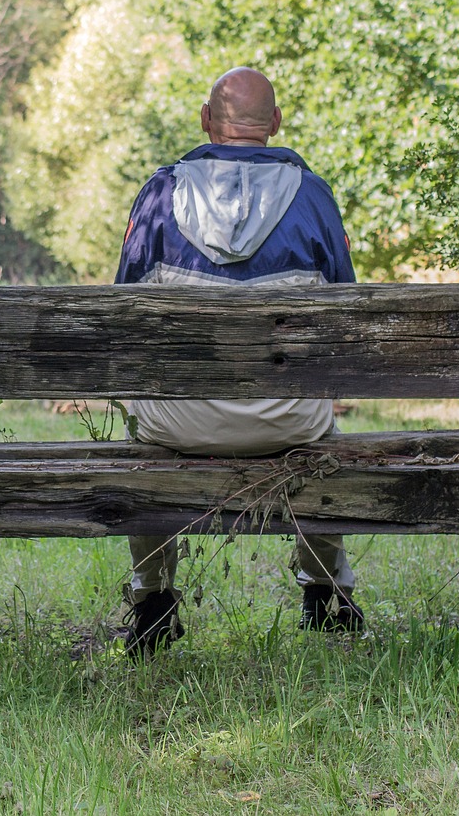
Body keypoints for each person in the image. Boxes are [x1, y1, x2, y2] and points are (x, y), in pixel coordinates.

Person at [115, 66, 363, 658]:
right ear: (275, 124)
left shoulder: (159, 197)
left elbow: (120, 315)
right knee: (320, 429)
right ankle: (327, 593)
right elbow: (349, 319)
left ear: (206, 122)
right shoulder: (313, 197)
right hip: (289, 422)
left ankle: (151, 597)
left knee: (142, 433)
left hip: (177, 426)